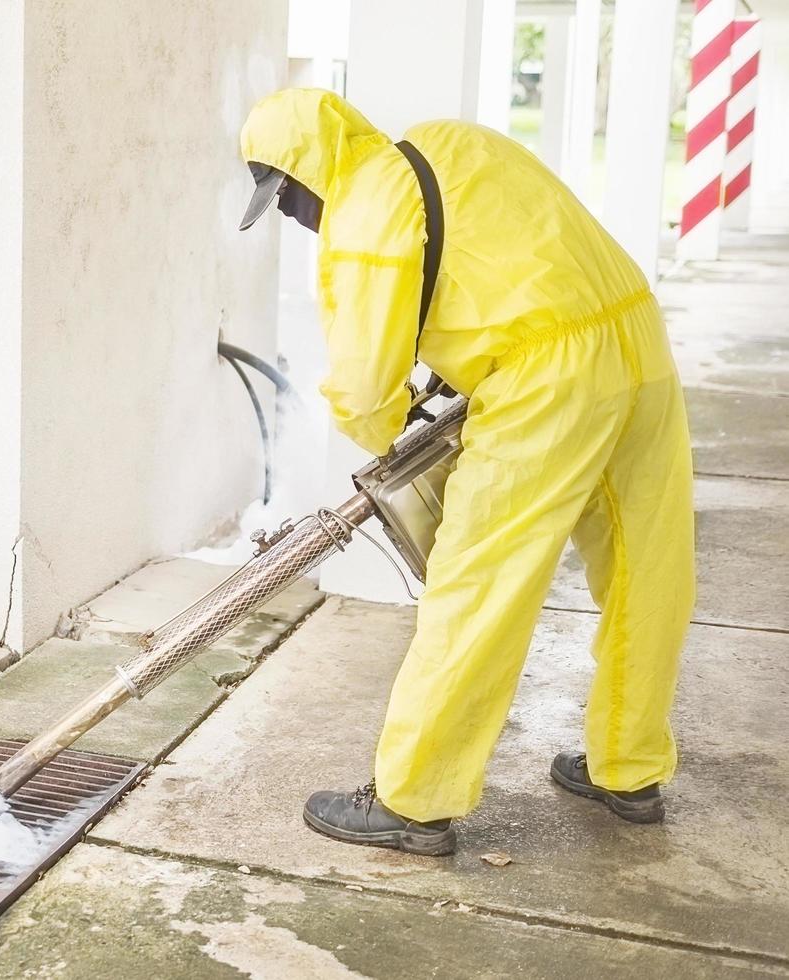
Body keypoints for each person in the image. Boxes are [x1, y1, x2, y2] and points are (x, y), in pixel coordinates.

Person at [238, 87, 695, 856]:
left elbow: (363, 391)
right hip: (633, 338)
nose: (289, 214)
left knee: (480, 581)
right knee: (646, 565)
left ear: (305, 172)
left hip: (545, 382)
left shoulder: (363, 214)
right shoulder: (449, 141)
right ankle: (629, 766)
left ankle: (412, 800)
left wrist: (383, 431)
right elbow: (512, 250)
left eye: (283, 195)